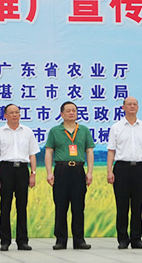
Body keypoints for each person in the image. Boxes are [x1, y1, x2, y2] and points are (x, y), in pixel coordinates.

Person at [106, 96, 142, 249]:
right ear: (123, 107)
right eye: (129, 104)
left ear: (138, 107)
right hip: (121, 169)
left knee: (137, 206)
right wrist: (109, 171)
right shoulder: (116, 127)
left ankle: (136, 239)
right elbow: (111, 151)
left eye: (135, 104)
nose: (132, 106)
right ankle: (122, 239)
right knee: (122, 207)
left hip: (140, 169)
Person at [45, 101, 95, 250]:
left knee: (78, 207)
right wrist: (49, 172)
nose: (71, 113)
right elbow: (49, 152)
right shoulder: (55, 131)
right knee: (61, 206)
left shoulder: (84, 130)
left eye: (74, 110)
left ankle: (79, 240)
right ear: (62, 114)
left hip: (78, 170)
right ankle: (60, 240)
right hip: (61, 170)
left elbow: (89, 151)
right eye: (68, 110)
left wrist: (89, 172)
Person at [0, 103, 39, 251]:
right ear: (5, 115)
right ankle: (5, 241)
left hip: (22, 170)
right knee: (5, 206)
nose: (15, 115)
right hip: (6, 169)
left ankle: (22, 241)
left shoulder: (27, 132)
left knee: (22, 206)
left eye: (17, 112)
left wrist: (33, 174)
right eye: (11, 112)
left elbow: (32, 155)